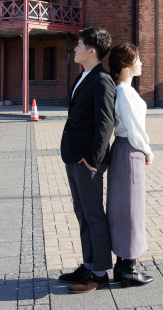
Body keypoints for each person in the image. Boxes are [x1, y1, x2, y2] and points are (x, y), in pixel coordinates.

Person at [57, 27, 116, 294]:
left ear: (92, 51)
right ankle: (90, 264)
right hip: (74, 157)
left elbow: (105, 123)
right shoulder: (84, 76)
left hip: (86, 161)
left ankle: (100, 273)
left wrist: (91, 160)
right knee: (82, 213)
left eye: (80, 45)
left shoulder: (102, 80)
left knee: (93, 215)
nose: (75, 48)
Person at [106, 43, 154, 288]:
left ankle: (121, 265)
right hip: (129, 150)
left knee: (123, 208)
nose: (142, 63)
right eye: (138, 59)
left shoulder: (123, 89)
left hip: (124, 150)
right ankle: (129, 269)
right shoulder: (124, 91)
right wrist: (147, 150)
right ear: (126, 64)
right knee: (131, 210)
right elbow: (134, 127)